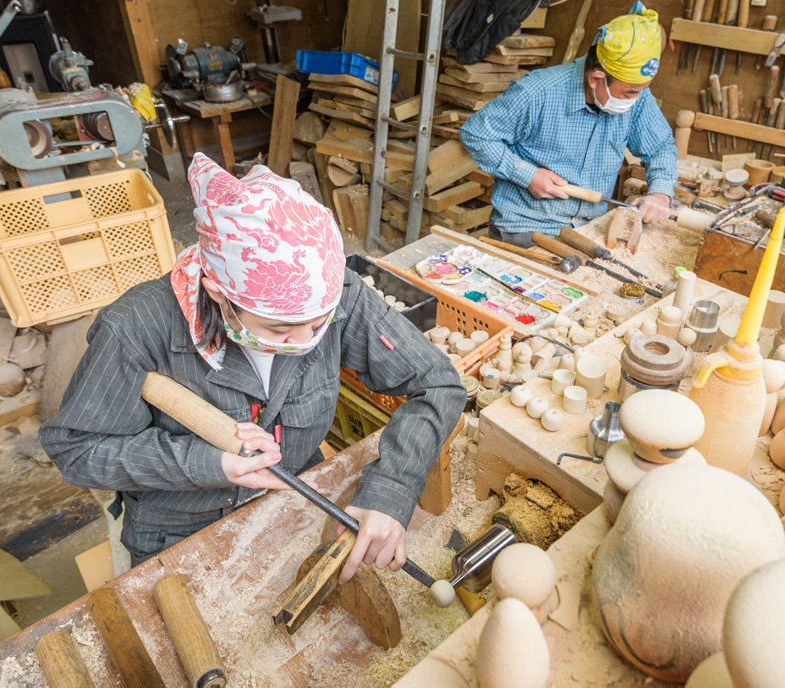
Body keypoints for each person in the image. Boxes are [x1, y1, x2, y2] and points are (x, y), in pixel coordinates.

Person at [39, 154, 465, 582]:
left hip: (298, 494)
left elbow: (439, 385)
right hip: (179, 525)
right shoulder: (134, 326)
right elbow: (77, 450)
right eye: (280, 329)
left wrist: (392, 488)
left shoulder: (332, 293)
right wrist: (207, 463)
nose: (305, 343)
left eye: (319, 325)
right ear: (218, 293)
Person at [460, 2, 678, 247]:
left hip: (589, 229)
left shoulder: (636, 98)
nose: (635, 99)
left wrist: (659, 194)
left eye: (641, 91)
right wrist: (527, 175)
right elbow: (476, 135)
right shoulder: (537, 92)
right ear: (597, 79)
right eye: (629, 93)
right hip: (528, 229)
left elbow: (661, 147)